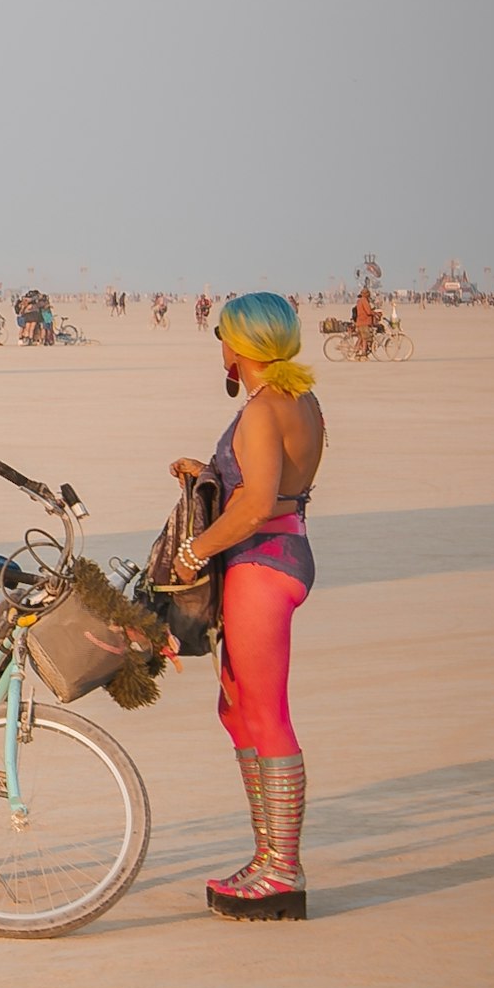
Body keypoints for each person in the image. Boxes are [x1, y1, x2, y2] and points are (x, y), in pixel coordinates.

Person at [168, 293, 328, 920]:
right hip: (280, 555)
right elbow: (276, 483)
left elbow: (259, 501)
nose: (221, 348)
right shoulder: (301, 401)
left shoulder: (263, 412)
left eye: (223, 337)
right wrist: (207, 473)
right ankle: (266, 858)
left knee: (265, 715)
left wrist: (194, 550)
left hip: (262, 565)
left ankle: (282, 872)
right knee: (237, 709)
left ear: (241, 346)